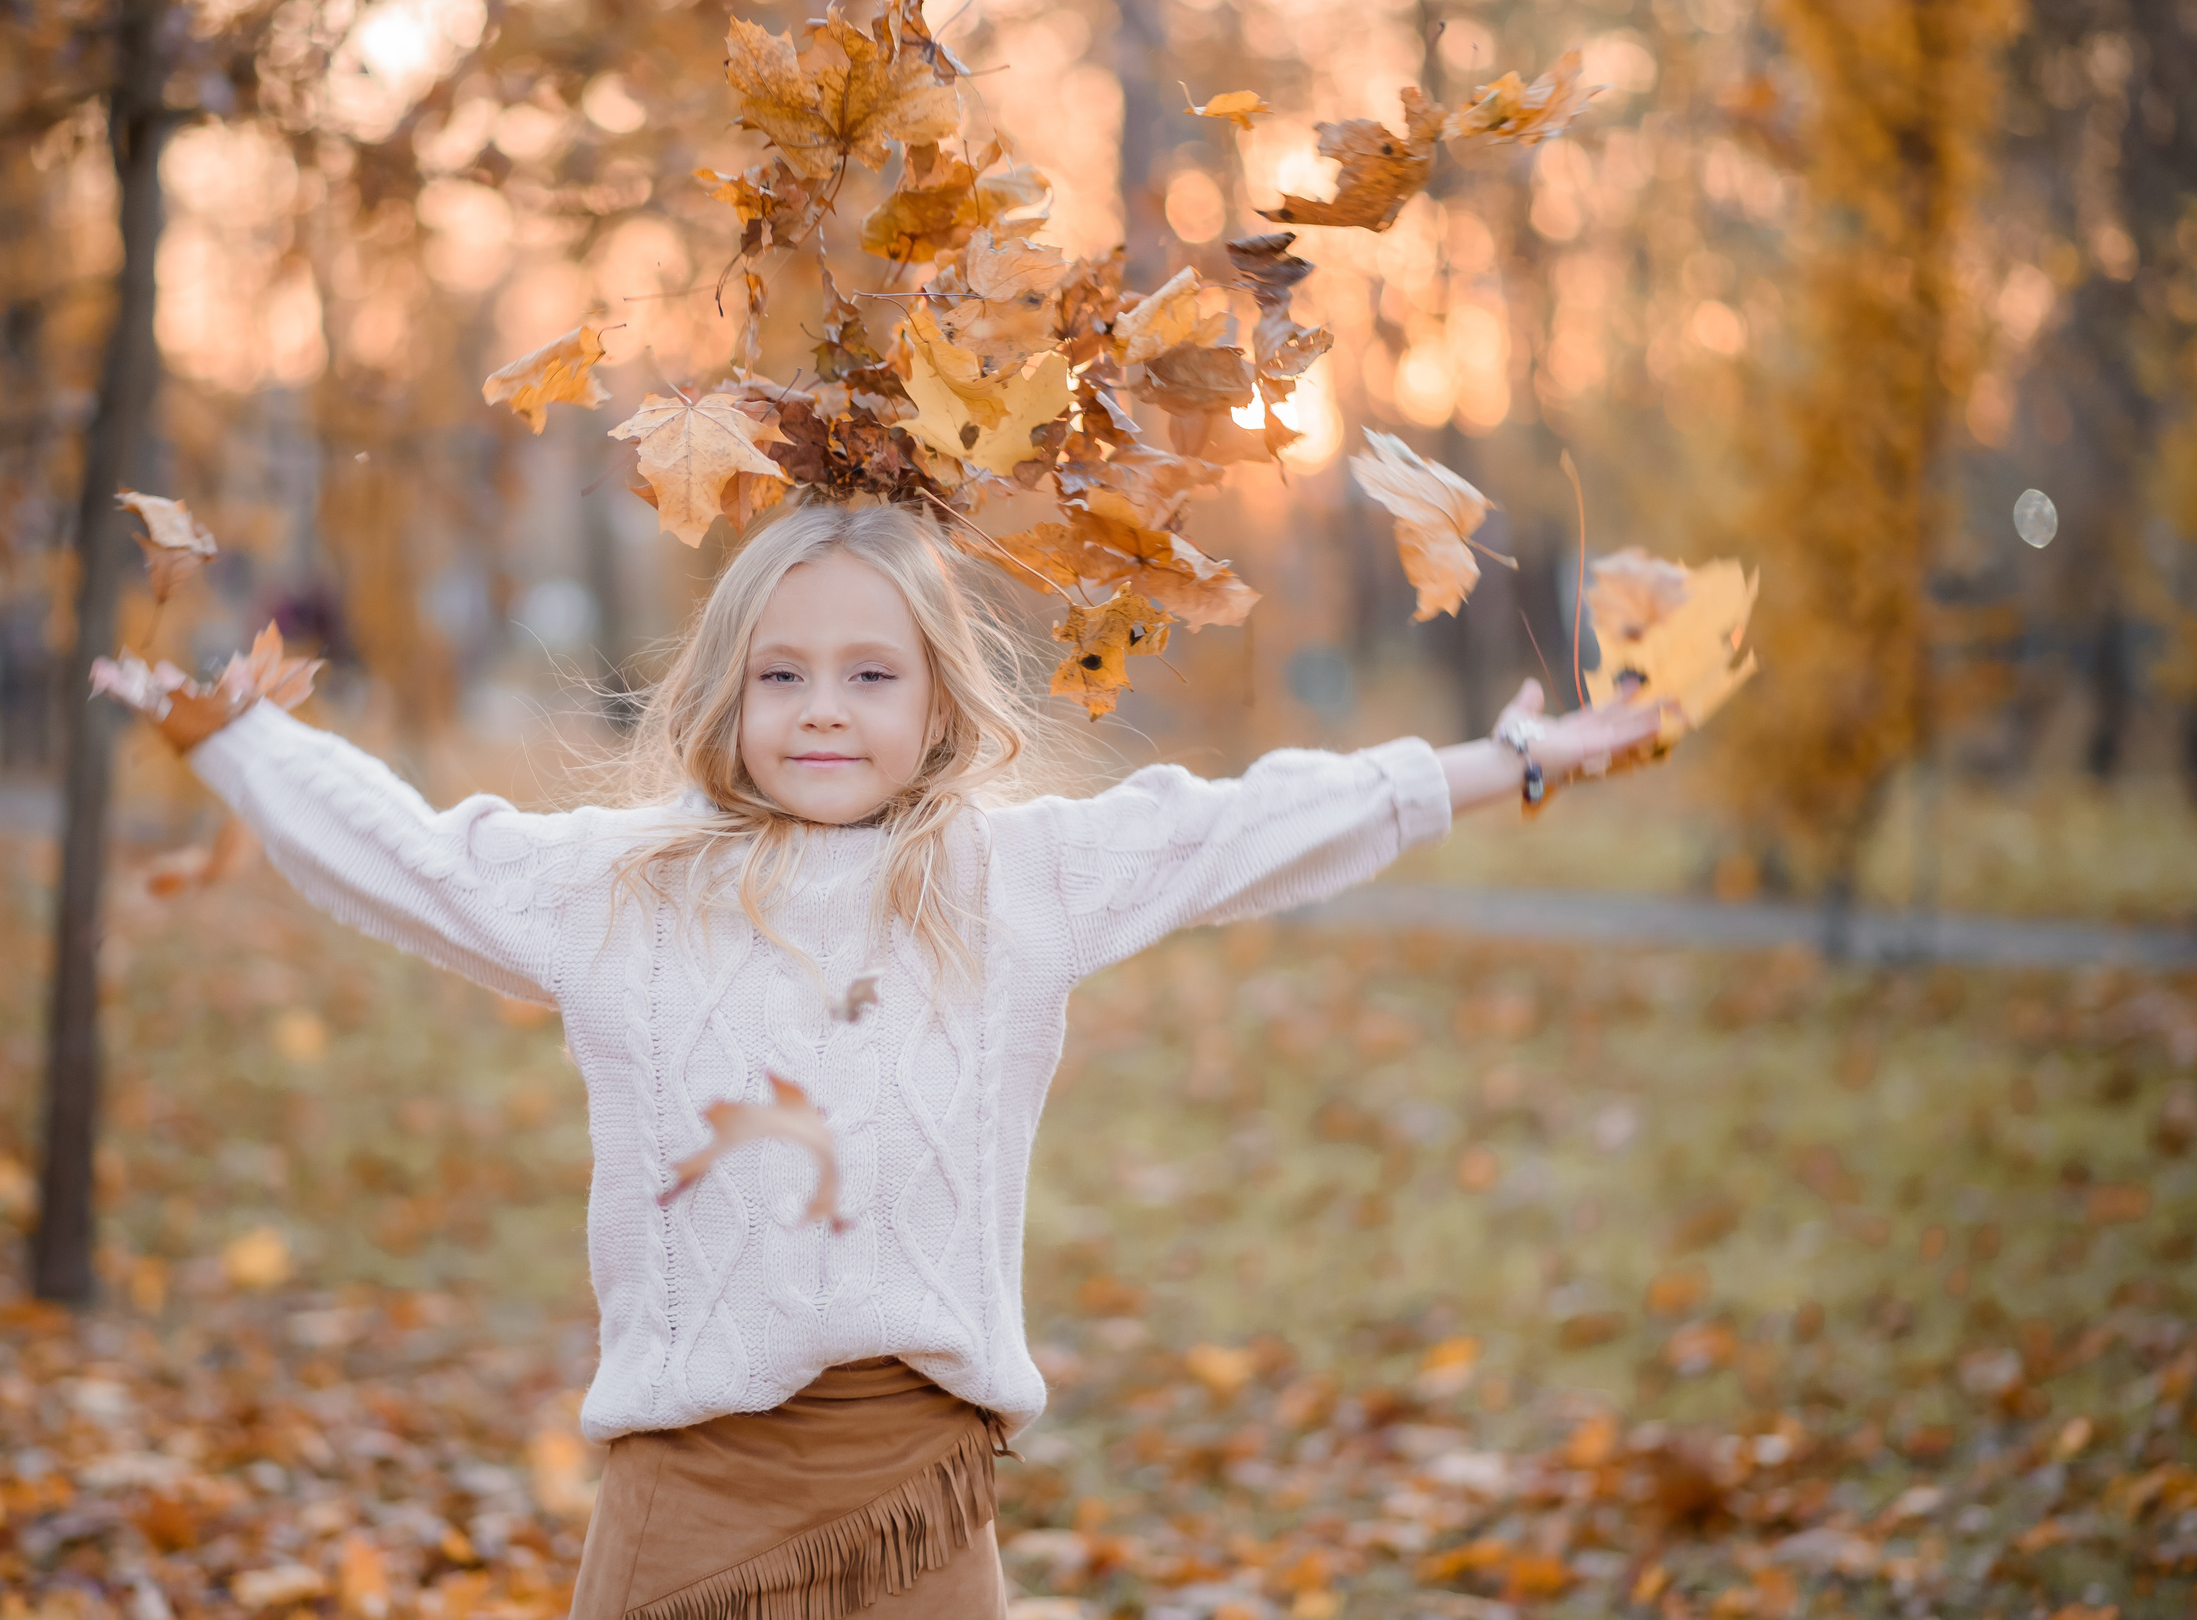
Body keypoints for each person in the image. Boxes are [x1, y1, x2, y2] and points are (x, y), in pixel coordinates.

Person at [119, 501, 1661, 1620]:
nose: (823, 711)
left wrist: (1503, 760)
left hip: (914, 1504)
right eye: (781, 674)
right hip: (689, 1506)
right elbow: (418, 859)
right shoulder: (628, 888)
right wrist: (236, 741)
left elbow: (1242, 824)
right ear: (726, 693)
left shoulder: (1011, 882)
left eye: (870, 675)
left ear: (937, 705)